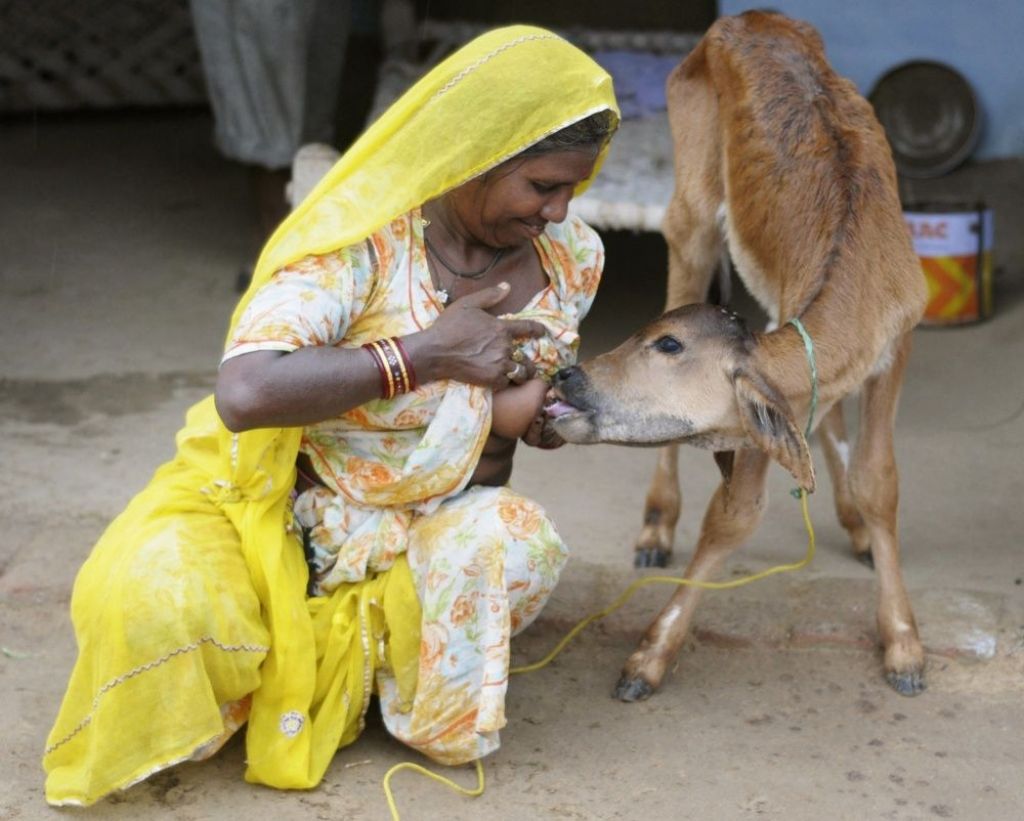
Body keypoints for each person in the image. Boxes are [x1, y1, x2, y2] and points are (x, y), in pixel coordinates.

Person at [43, 26, 619, 806]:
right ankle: (322, 654)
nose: (556, 212)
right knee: (156, 591)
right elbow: (245, 394)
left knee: (508, 538)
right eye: (541, 187)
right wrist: (424, 355)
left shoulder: (570, 259)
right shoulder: (363, 241)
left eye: (571, 191)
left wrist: (535, 415)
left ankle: (393, 681)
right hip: (286, 521)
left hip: (421, 532)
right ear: (480, 153)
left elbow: (499, 425)